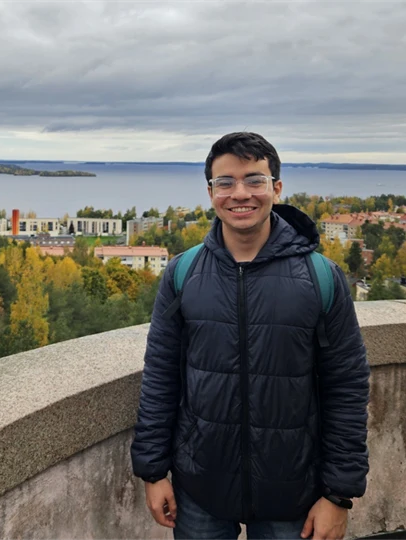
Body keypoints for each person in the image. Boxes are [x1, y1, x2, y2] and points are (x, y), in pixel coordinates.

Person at [131, 132, 370, 540]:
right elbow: (160, 377)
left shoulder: (320, 277)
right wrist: (153, 473)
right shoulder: (183, 273)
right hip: (199, 488)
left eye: (254, 180)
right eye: (225, 182)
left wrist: (337, 495)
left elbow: (345, 386)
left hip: (293, 493)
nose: (240, 193)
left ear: (276, 188)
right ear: (210, 193)